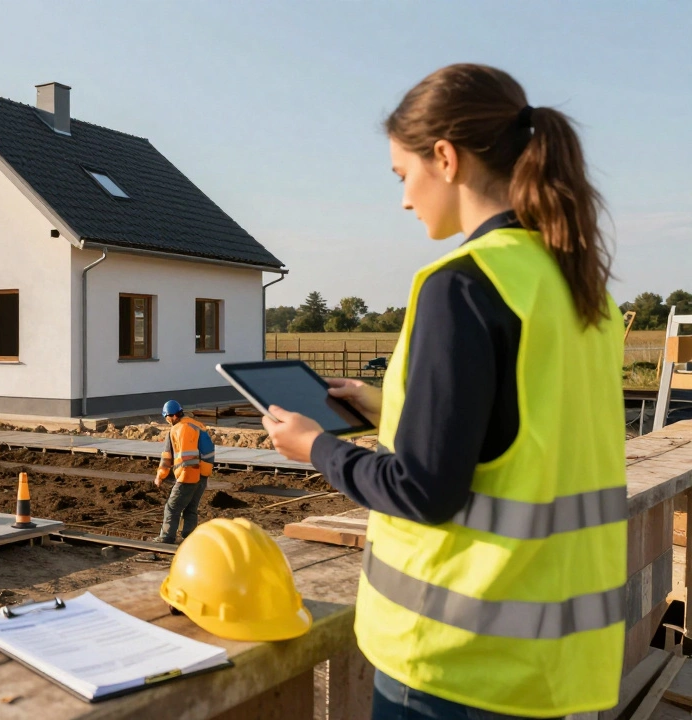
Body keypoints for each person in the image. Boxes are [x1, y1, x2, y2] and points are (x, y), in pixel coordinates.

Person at [262, 64, 625, 720]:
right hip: (551, 666)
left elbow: (422, 490)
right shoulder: (579, 290)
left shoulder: (460, 285)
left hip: (450, 663)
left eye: (402, 175)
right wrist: (385, 406)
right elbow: (531, 428)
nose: (405, 199)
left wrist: (316, 446)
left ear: (446, 158)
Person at [152, 400, 215, 544]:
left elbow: (167, 457)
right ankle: (190, 538)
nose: (167, 420)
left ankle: (166, 538)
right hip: (203, 474)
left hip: (188, 474)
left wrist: (160, 476)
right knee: (191, 508)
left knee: (172, 507)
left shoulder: (176, 429)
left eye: (166, 417)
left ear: (173, 416)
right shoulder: (197, 425)